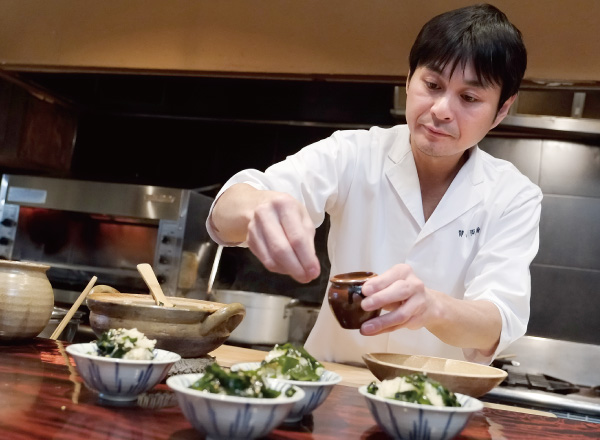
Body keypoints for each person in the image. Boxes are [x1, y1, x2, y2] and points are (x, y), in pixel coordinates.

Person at [206, 3, 542, 365]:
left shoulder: (513, 195)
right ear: (409, 77)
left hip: (439, 405)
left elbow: (497, 319)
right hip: (332, 393)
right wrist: (257, 207)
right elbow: (230, 209)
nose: (442, 109)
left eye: (469, 98)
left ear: (502, 109)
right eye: (432, 84)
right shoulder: (354, 152)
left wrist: (430, 307)